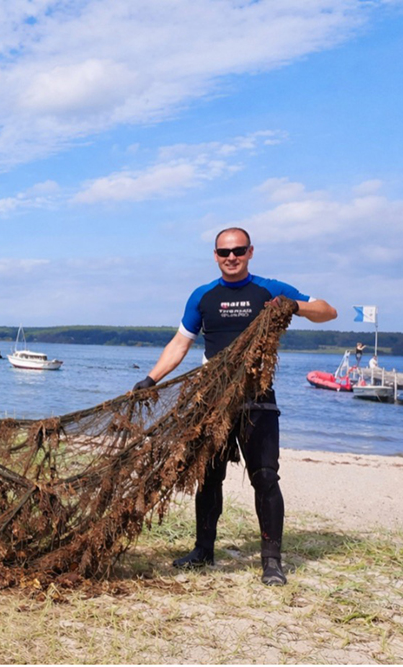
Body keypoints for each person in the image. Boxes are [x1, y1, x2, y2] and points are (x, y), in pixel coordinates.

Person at [132, 227, 336, 586]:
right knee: (208, 477)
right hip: (212, 401)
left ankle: (272, 562)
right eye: (224, 252)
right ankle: (203, 552)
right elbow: (180, 344)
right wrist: (151, 379)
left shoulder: (270, 290)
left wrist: (293, 306)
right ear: (215, 255)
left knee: (265, 478)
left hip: (257, 399)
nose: (231, 257)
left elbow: (327, 311)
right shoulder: (203, 296)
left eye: (238, 251)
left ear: (250, 252)